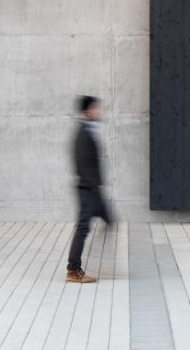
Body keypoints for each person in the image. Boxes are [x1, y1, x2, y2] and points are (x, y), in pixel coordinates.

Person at [66, 95, 111, 283]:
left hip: (92, 188)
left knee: (109, 220)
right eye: (96, 108)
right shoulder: (83, 134)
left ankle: (104, 262)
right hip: (88, 189)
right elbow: (83, 163)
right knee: (83, 228)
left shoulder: (87, 130)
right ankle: (73, 270)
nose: (99, 111)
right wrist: (93, 188)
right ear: (88, 110)